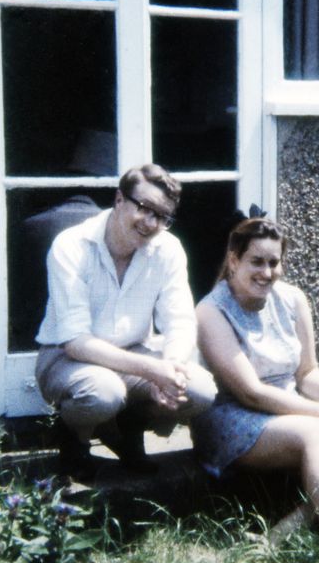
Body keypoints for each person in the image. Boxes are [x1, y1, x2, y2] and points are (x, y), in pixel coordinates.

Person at [190, 217, 319, 547]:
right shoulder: (211, 311)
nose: (266, 272)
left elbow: (307, 372)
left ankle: (287, 530)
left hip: (288, 411)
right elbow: (251, 393)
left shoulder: (293, 299)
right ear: (234, 260)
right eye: (257, 261)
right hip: (232, 417)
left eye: (274, 262)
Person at [35, 163, 216, 479]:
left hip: (132, 353)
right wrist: (152, 371)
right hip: (66, 359)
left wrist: (172, 366)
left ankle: (129, 428)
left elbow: (180, 320)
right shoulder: (72, 245)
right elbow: (75, 342)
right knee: (104, 392)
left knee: (199, 389)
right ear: (119, 199)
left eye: (162, 216)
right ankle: (75, 438)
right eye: (144, 208)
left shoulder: (168, 249)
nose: (151, 223)